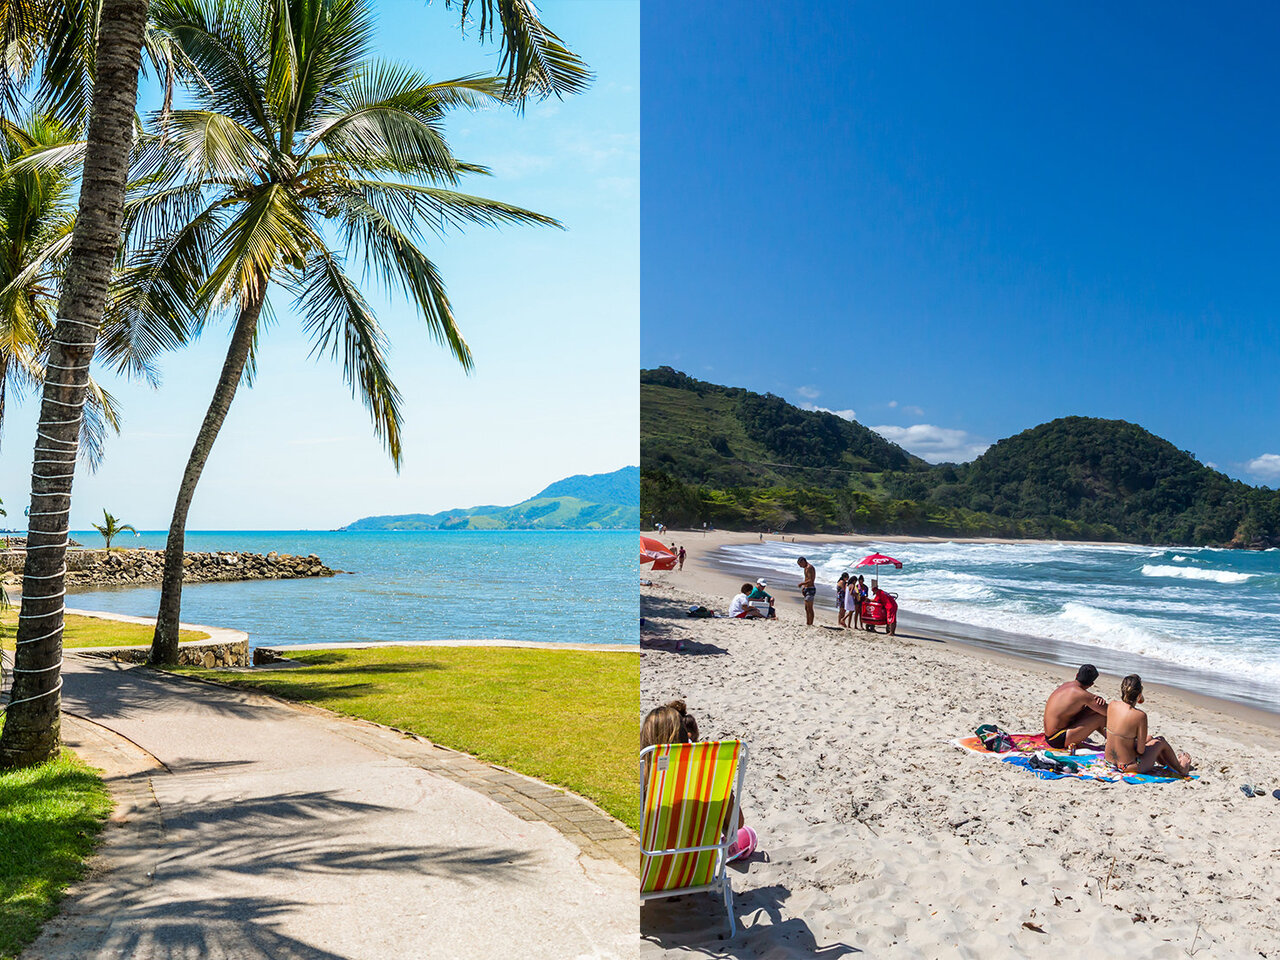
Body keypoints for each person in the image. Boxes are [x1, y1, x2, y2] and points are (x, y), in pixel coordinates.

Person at [1105, 675, 1192, 777]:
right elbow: (1140, 750)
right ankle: (1182, 768)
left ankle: (1168, 762)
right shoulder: (1140, 716)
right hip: (1127, 766)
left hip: (1109, 760)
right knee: (1160, 741)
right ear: (1139, 695)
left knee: (1149, 738)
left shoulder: (1112, 704)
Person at [1043, 664, 1108, 753]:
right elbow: (1109, 712)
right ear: (1092, 684)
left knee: (1093, 709)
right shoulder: (1082, 694)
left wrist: (1095, 702)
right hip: (1056, 739)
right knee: (1100, 717)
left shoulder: (1067, 685)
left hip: (1051, 736)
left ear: (1077, 675)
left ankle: (1113, 741)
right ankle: (1115, 743)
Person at [796, 557, 816, 625]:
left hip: (810, 589)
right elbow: (806, 579)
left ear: (803, 561)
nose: (800, 566)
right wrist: (804, 587)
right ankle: (808, 622)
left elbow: (811, 580)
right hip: (806, 588)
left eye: (800, 564)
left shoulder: (810, 567)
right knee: (806, 608)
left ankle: (811, 623)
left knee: (810, 608)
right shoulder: (805, 568)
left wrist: (802, 584)